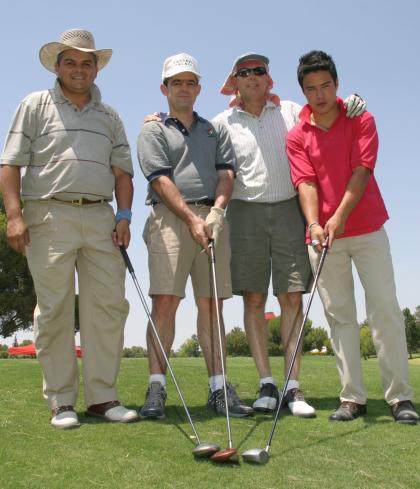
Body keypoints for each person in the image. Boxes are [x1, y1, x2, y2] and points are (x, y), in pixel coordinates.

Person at [213, 53, 365, 417]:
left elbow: (328, 110)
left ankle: (292, 387)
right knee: (252, 298)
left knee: (291, 297)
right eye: (244, 72)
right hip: (245, 211)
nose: (253, 77)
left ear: (269, 79)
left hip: (288, 208)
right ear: (235, 82)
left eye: (260, 71)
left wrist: (353, 104)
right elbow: (191, 135)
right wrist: (158, 118)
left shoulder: (293, 111)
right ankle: (266, 383)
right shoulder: (221, 122)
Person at [0, 28, 138, 429]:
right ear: (57, 66)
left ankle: (102, 398)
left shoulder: (110, 116)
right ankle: (62, 401)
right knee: (55, 309)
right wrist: (14, 214)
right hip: (48, 215)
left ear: (97, 69)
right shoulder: (34, 104)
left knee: (108, 308)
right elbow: (10, 164)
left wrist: (125, 215)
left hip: (101, 218)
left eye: (87, 62)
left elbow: (123, 173)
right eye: (71, 62)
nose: (79, 69)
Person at [286, 50, 418, 424]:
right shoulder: (297, 135)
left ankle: (399, 398)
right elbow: (305, 182)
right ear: (304, 92)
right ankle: (352, 398)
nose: (320, 94)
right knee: (339, 316)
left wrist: (338, 216)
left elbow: (362, 171)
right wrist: (314, 223)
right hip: (324, 239)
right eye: (311, 88)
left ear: (337, 84)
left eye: (326, 85)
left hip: (368, 228)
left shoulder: (361, 117)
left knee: (385, 311)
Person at [137, 53, 253, 419]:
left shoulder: (213, 129)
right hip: (170, 218)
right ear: (164, 88)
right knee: (165, 302)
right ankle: (156, 386)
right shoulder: (152, 129)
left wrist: (217, 211)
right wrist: (190, 218)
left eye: (190, 82)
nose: (184, 88)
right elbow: (160, 178)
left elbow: (226, 174)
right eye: (176, 83)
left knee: (212, 305)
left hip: (213, 220)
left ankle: (219, 388)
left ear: (199, 88)